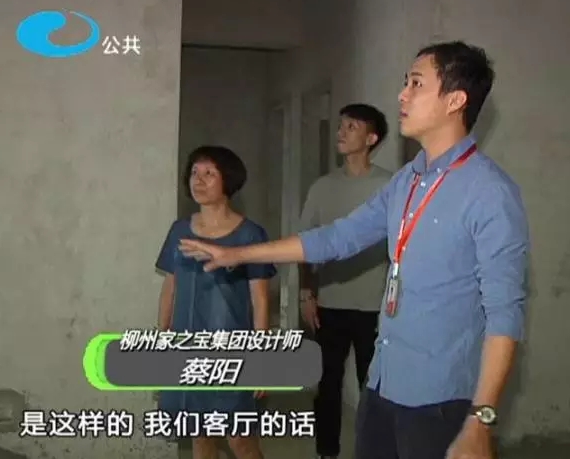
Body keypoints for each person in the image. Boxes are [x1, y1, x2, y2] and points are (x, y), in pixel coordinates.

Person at [178, 41, 529, 459]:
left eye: (416, 84)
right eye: (405, 83)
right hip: (382, 385)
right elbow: (336, 237)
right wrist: (237, 255)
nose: (402, 94)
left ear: (455, 100)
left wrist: (480, 419)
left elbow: (505, 313)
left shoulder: (489, 192)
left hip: (441, 399)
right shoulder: (406, 181)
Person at [155, 145, 276, 459]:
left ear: (228, 180)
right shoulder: (179, 231)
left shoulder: (250, 235)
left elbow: (260, 299)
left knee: (240, 440)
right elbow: (170, 286)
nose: (199, 179)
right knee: (200, 436)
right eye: (195, 172)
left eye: (210, 173)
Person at [298, 103, 392, 459]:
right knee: (327, 384)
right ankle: (327, 452)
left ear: (371, 138)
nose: (341, 132)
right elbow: (306, 244)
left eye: (351, 126)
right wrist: (307, 293)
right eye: (341, 125)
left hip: (376, 307)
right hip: (330, 304)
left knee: (375, 388)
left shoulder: (389, 186)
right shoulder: (322, 187)